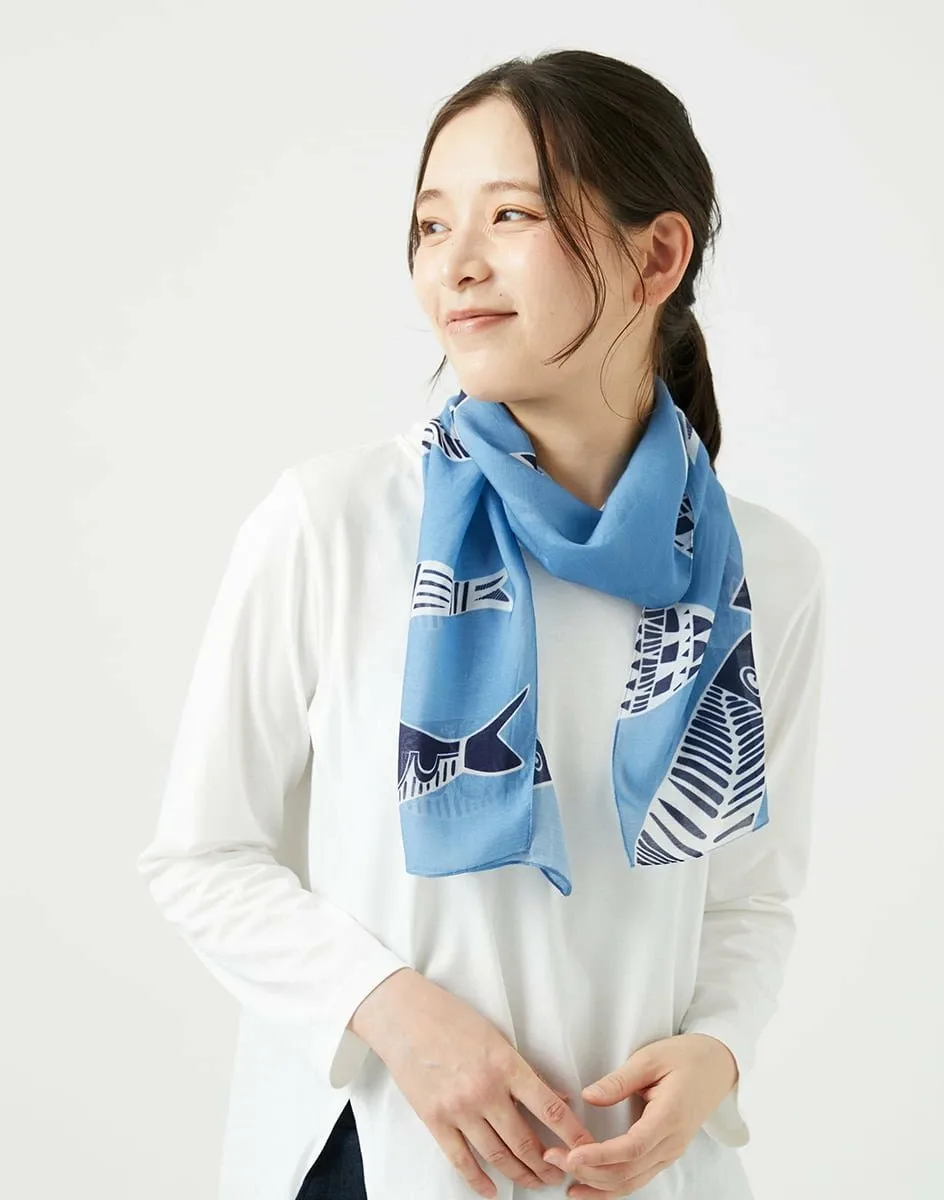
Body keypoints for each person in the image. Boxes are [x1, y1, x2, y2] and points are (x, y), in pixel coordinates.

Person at [136, 48, 826, 1200]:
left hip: (638, 1170)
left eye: (512, 215)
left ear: (658, 256)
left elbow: (748, 892)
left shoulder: (765, 575)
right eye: (429, 224)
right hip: (384, 1154)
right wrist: (394, 1014)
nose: (454, 264)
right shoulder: (337, 523)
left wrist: (717, 1049)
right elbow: (202, 857)